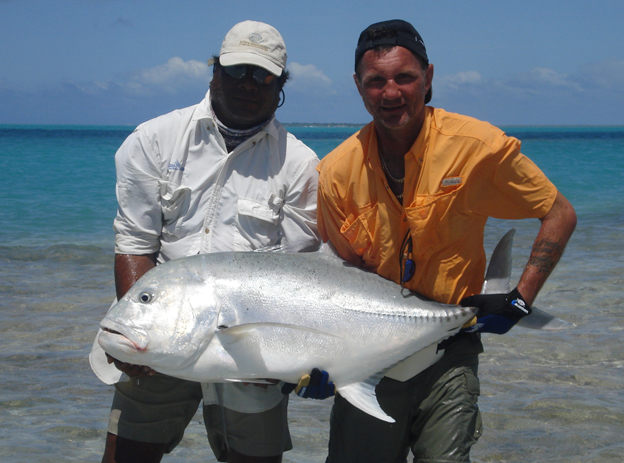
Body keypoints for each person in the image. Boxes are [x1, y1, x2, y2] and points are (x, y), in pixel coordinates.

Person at [316, 19, 577, 463]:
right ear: (358, 87)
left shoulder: (478, 147)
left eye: (405, 77)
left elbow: (558, 214)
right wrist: (322, 358)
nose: (391, 92)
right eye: (376, 81)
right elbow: (344, 281)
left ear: (429, 78)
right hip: (371, 356)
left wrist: (520, 298)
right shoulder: (336, 173)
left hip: (450, 352)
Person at [95, 20, 321, 463]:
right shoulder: (153, 140)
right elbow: (136, 243)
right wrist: (140, 339)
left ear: (280, 86)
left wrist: (295, 357)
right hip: (161, 333)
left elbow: (299, 275)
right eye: (237, 72)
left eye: (263, 76)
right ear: (214, 71)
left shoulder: (300, 164)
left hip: (249, 346)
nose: (248, 85)